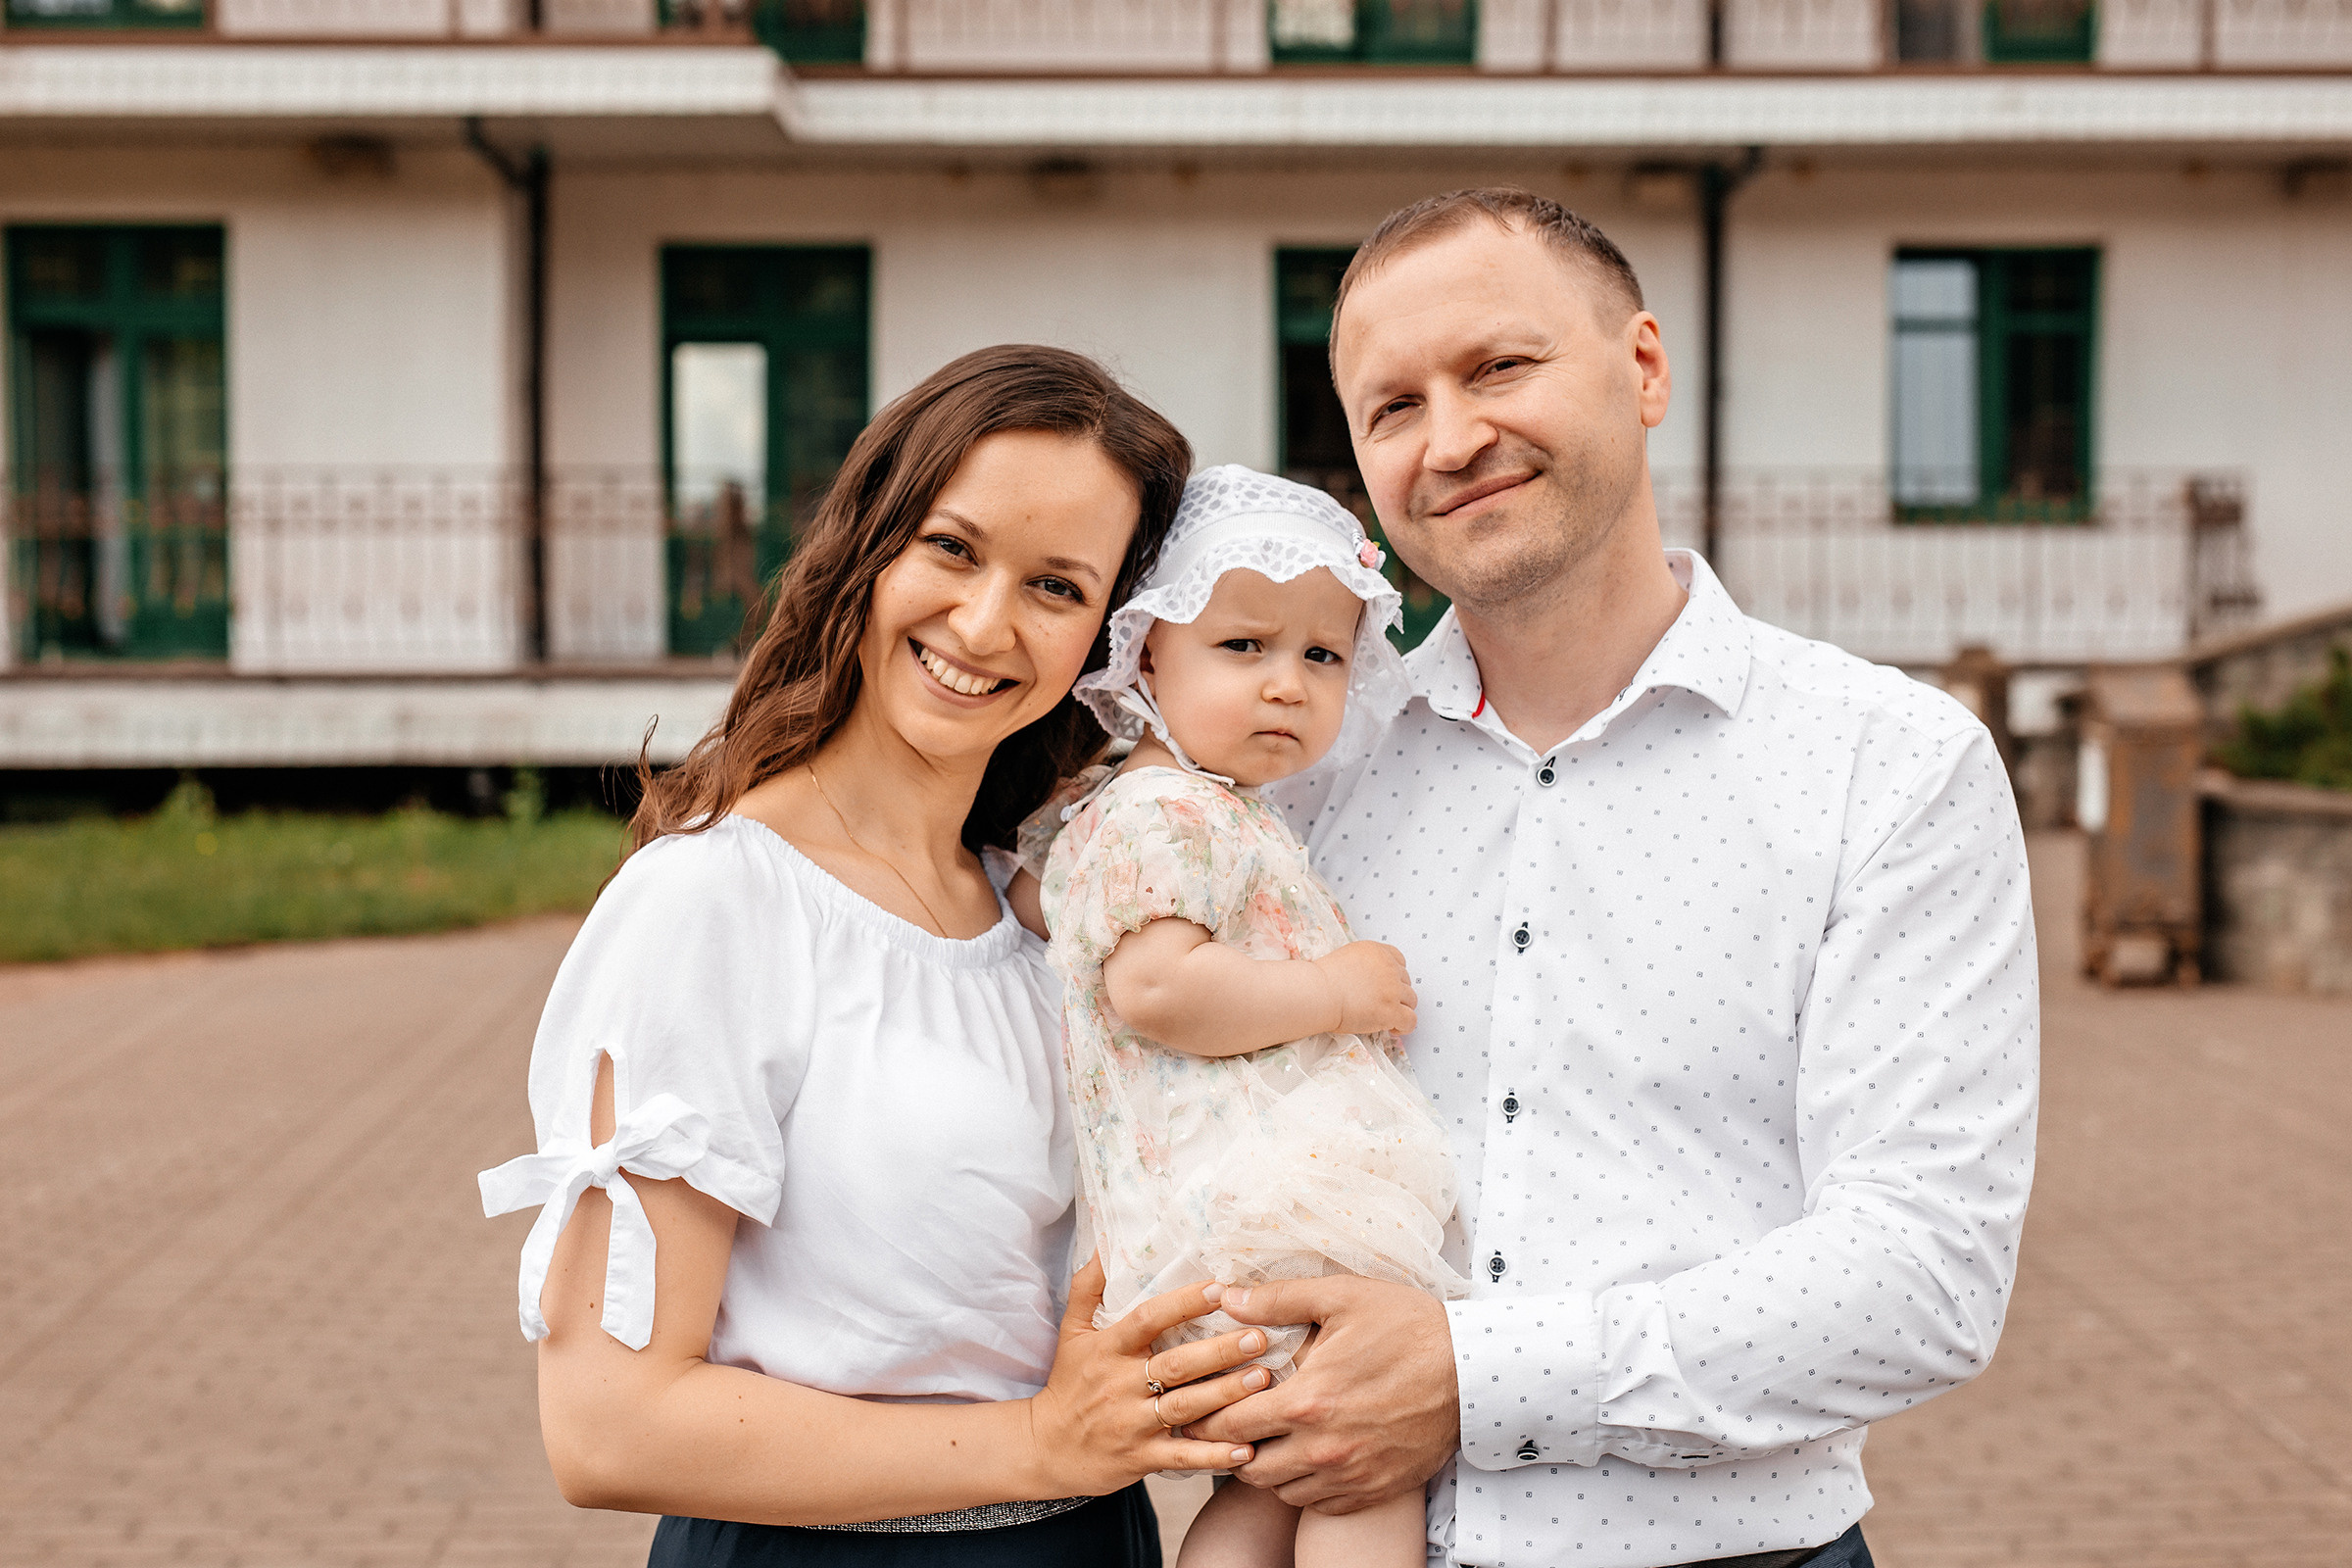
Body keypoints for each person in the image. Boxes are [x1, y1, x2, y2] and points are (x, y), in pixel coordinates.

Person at [1188, 189, 2040, 1568]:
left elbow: (1924, 1272)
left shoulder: (1891, 765)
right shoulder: (1299, 779)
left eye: (1499, 368)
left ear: (1643, 368)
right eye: (1391, 408)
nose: (1451, 438)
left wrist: (1473, 1377)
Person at [476, 345, 1276, 1568]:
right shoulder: (714, 902)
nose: (983, 622)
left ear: (1110, 640)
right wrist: (1038, 1446)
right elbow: (607, 1426)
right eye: (951, 549)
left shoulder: (1045, 907)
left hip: (1089, 1541)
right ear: (870, 544)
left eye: (1056, 587)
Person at [1012, 466, 1472, 1568]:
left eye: (1322, 656)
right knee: (1370, 1466)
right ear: (1149, 656)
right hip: (1247, 1228)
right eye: (1244, 647)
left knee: (1277, 1483)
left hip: (1223, 1233)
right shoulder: (1162, 812)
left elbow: (1064, 918)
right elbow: (1157, 990)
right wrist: (1336, 993)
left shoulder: (1191, 809)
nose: (1287, 684)